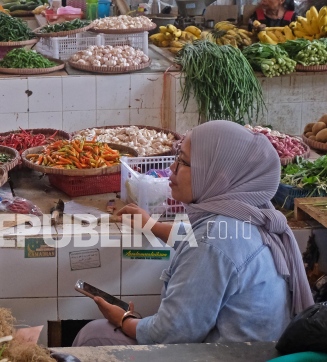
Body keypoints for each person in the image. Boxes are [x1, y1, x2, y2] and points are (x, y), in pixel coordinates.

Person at [72, 120, 313, 347]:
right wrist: (152, 225)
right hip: (256, 357)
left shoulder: (213, 243)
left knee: (93, 336)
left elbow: (169, 334)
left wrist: (123, 319)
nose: (171, 168)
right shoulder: (250, 210)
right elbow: (201, 237)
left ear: (218, 175)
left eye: (184, 162)